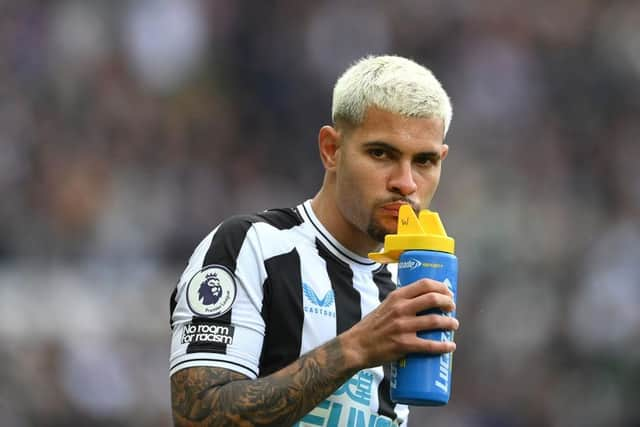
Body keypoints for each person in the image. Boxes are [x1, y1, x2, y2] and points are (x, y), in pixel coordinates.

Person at [169, 55, 459, 427]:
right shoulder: (251, 248)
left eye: (424, 161)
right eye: (381, 153)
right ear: (331, 149)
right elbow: (197, 417)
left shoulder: (404, 286)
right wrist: (356, 348)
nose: (405, 182)